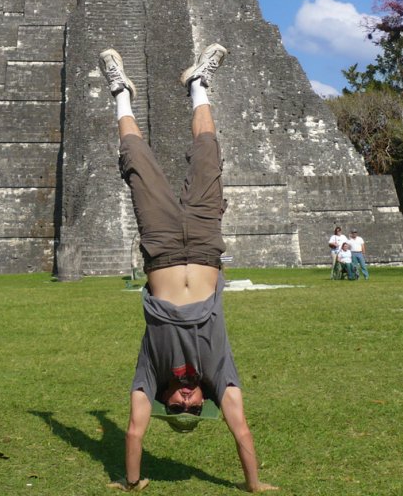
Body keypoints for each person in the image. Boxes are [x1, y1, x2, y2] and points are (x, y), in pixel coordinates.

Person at [99, 44, 278, 493]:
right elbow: (241, 430)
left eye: (176, 408)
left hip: (160, 248)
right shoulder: (220, 375)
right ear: (205, 401)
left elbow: (135, 431)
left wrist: (133, 481)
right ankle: (198, 85)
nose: (184, 403)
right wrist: (254, 486)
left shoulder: (151, 376)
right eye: (193, 408)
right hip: (203, 245)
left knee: (137, 166)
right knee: (209, 157)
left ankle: (120, 92)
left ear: (163, 400)